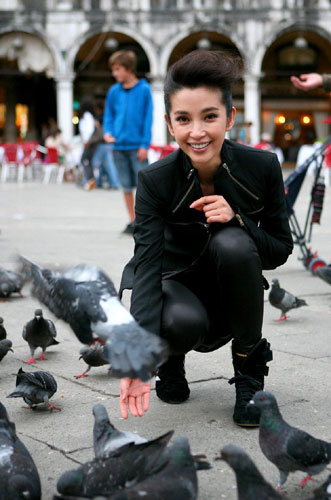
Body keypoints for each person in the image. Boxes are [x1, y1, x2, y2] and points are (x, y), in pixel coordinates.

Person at [118, 50, 293, 427]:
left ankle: (249, 378)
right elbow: (147, 268)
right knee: (179, 320)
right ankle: (171, 361)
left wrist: (240, 220)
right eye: (184, 119)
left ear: (230, 117)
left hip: (234, 289)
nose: (197, 132)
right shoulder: (154, 179)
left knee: (232, 241)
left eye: (209, 117)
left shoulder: (261, 166)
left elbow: (280, 249)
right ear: (169, 124)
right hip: (175, 290)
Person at [103, 50, 153, 234]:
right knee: (125, 186)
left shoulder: (144, 89)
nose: (114, 73)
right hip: (118, 146)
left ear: (128, 68)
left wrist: (144, 145)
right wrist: (108, 132)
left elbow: (148, 119)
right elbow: (109, 115)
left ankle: (144, 220)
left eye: (117, 69)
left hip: (137, 147)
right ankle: (132, 221)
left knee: (143, 188)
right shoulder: (113, 91)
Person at [79, 97, 102, 191]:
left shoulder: (87, 115)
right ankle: (91, 180)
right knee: (88, 160)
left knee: (84, 160)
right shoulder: (91, 116)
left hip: (89, 142)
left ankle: (90, 179)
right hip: (92, 142)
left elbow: (89, 129)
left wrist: (86, 141)